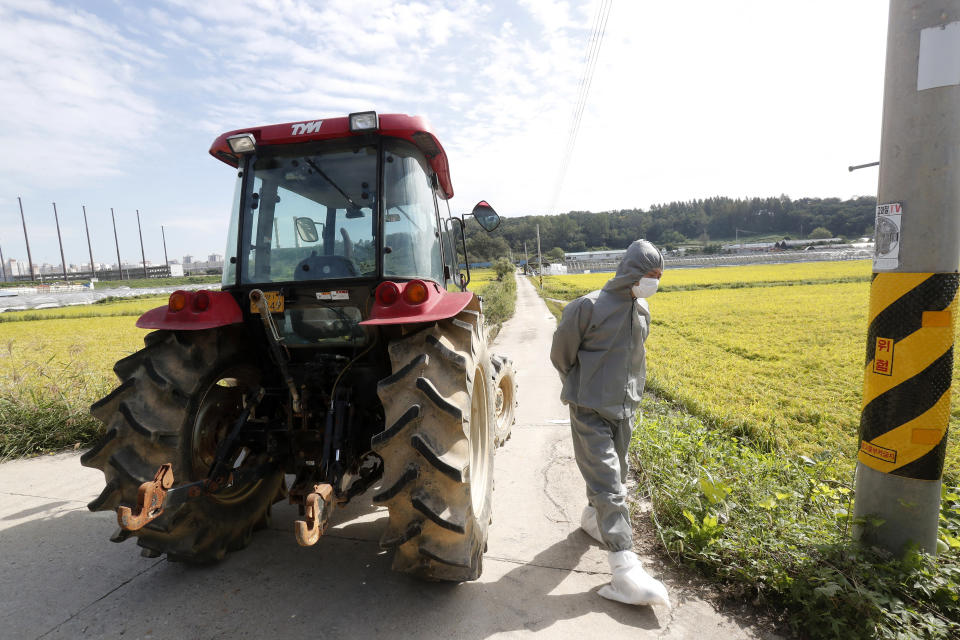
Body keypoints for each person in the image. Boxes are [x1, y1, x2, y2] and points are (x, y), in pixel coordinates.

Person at [549, 239, 670, 608]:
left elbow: (636, 357)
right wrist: (583, 385)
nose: (653, 282)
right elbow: (561, 354)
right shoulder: (588, 306)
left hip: (625, 408)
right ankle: (624, 566)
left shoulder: (642, 309)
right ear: (632, 272)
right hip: (589, 407)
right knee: (608, 480)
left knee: (616, 472)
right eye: (649, 275)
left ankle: (592, 519)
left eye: (658, 276)